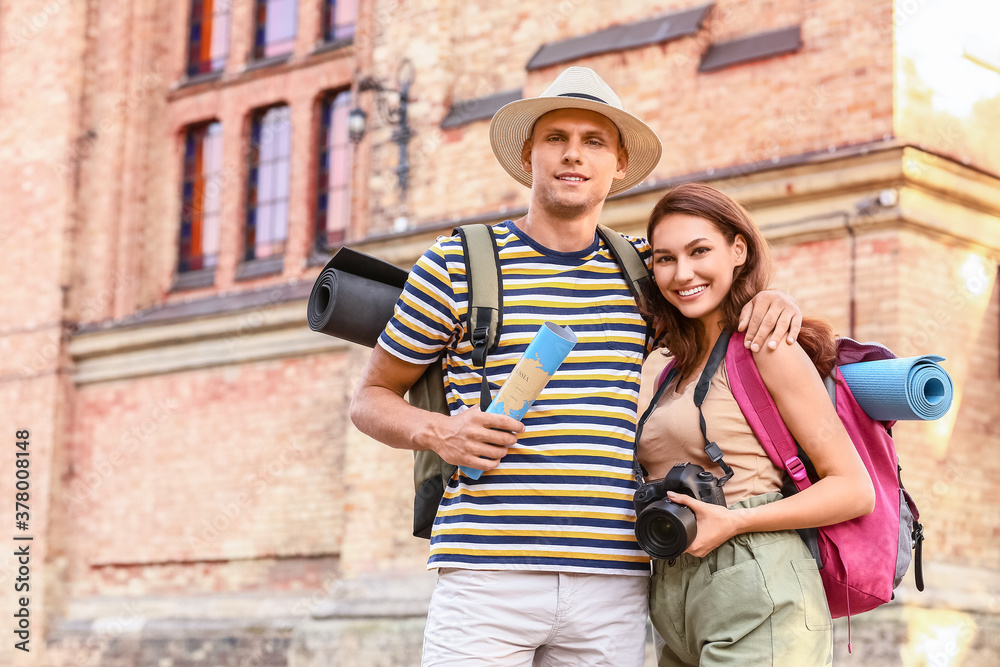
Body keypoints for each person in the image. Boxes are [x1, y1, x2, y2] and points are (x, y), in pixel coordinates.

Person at [351, 67, 802, 667]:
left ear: (616, 165)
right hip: (487, 575)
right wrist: (440, 431)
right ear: (527, 154)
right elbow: (370, 397)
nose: (573, 154)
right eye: (555, 137)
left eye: (594, 141)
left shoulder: (643, 270)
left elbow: (715, 301)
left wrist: (771, 297)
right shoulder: (458, 261)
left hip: (613, 581)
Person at [637, 182, 876, 666]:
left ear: (738, 250)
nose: (683, 273)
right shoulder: (665, 362)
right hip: (672, 589)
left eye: (700, 250)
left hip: (755, 582)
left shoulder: (767, 345)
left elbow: (854, 489)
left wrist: (737, 520)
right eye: (665, 258)